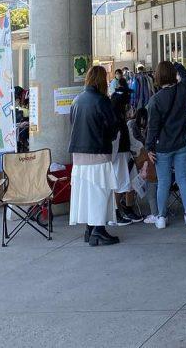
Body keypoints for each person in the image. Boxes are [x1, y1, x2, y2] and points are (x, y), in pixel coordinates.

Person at [69, 66, 122, 246]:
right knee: (101, 193)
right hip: (98, 153)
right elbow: (113, 127)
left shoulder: (76, 101)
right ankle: (99, 230)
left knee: (85, 194)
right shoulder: (102, 101)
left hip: (78, 156)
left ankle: (89, 229)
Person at [146, 60, 186, 230]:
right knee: (183, 179)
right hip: (182, 143)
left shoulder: (154, 101)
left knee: (164, 182)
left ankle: (161, 217)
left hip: (162, 147)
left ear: (158, 77)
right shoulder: (181, 90)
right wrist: (178, 66)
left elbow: (152, 128)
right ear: (173, 75)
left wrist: (149, 148)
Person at [109, 80, 140, 225]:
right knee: (120, 184)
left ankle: (127, 209)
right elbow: (115, 139)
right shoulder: (115, 118)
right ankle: (116, 214)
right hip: (119, 154)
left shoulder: (118, 115)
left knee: (130, 182)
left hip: (124, 152)